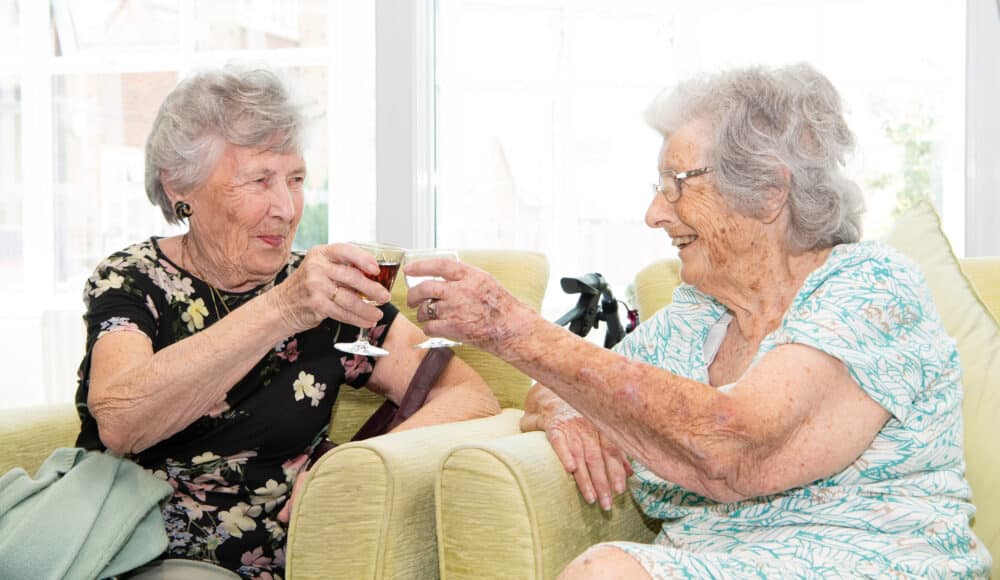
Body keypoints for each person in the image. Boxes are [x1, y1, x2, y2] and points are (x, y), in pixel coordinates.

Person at [405, 63, 991, 578]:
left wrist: (516, 329)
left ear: (767, 190)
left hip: (874, 562)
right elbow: (551, 391)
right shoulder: (697, 315)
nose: (655, 213)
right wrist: (569, 407)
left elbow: (737, 448)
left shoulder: (872, 287)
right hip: (709, 562)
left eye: (677, 185)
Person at [74, 65, 499, 579]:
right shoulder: (134, 280)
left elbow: (470, 396)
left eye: (296, 179)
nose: (287, 207)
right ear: (180, 185)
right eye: (259, 180)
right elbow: (120, 421)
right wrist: (281, 310)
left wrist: (354, 464)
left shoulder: (323, 289)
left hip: (305, 558)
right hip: (150, 551)